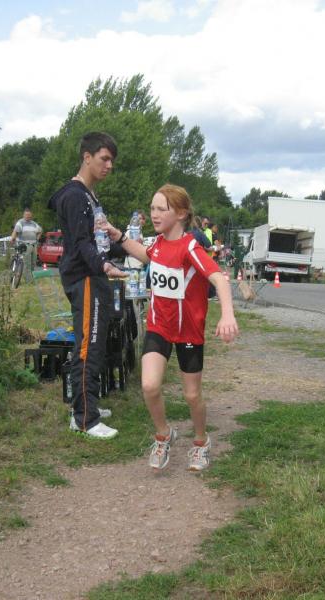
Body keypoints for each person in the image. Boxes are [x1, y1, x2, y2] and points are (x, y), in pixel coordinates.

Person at [104, 184, 239, 471]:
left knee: (192, 395)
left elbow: (219, 279)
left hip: (188, 331)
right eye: (152, 208)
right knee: (149, 385)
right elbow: (146, 255)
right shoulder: (157, 243)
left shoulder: (190, 247)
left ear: (180, 214)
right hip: (159, 326)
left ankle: (201, 441)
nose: (154, 214)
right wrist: (119, 236)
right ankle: (164, 435)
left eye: (161, 209)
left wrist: (227, 315)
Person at [47, 131, 126, 440]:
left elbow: (99, 240)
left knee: (94, 344)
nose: (109, 166)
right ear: (87, 157)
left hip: (94, 277)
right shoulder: (75, 196)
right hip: (85, 278)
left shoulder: (90, 196)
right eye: (104, 159)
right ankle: (84, 419)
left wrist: (128, 248)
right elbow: (82, 244)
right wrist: (104, 265)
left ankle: (86, 404)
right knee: (87, 346)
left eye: (112, 161)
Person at [10, 208, 43, 283]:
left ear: (31, 215)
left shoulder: (34, 223)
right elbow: (15, 231)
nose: (28, 216)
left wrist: (37, 238)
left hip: (34, 245)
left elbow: (40, 230)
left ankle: (32, 278)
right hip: (25, 245)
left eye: (29, 215)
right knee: (27, 263)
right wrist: (12, 238)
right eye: (26, 215)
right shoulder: (20, 222)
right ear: (24, 215)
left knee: (33, 263)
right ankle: (29, 281)